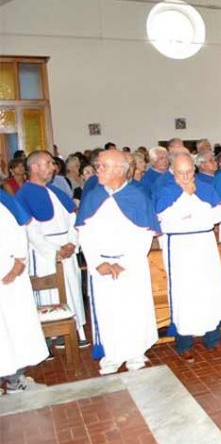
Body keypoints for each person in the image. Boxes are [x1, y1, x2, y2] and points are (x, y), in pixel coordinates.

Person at [76, 150, 160, 375]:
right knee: (108, 310)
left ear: (120, 170)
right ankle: (111, 354)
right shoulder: (93, 196)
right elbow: (84, 233)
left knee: (133, 308)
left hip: (130, 265)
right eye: (98, 166)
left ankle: (134, 352)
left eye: (103, 166)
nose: (98, 170)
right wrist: (96, 262)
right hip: (101, 265)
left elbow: (145, 234)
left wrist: (126, 262)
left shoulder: (138, 196)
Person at [154, 152, 221, 362]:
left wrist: (190, 215)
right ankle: (184, 342)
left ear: (194, 171)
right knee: (184, 294)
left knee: (208, 290)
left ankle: (213, 338)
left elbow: (217, 214)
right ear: (172, 172)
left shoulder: (205, 188)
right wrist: (185, 202)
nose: (185, 178)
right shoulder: (165, 190)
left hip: (204, 246)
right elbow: (163, 219)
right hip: (179, 249)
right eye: (180, 173)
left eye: (189, 172)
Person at [15, 151, 87, 345]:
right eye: (48, 163)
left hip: (68, 250)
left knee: (72, 289)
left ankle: (76, 330)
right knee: (49, 294)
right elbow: (30, 231)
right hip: (45, 254)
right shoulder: (23, 195)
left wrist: (73, 242)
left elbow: (74, 218)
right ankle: (52, 336)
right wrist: (56, 250)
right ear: (35, 167)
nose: (53, 167)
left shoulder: (56, 191)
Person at [0, 191, 48, 394]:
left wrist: (18, 262)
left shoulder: (5, 200)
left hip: (10, 275)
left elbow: (20, 230)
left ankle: (14, 378)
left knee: (15, 327)